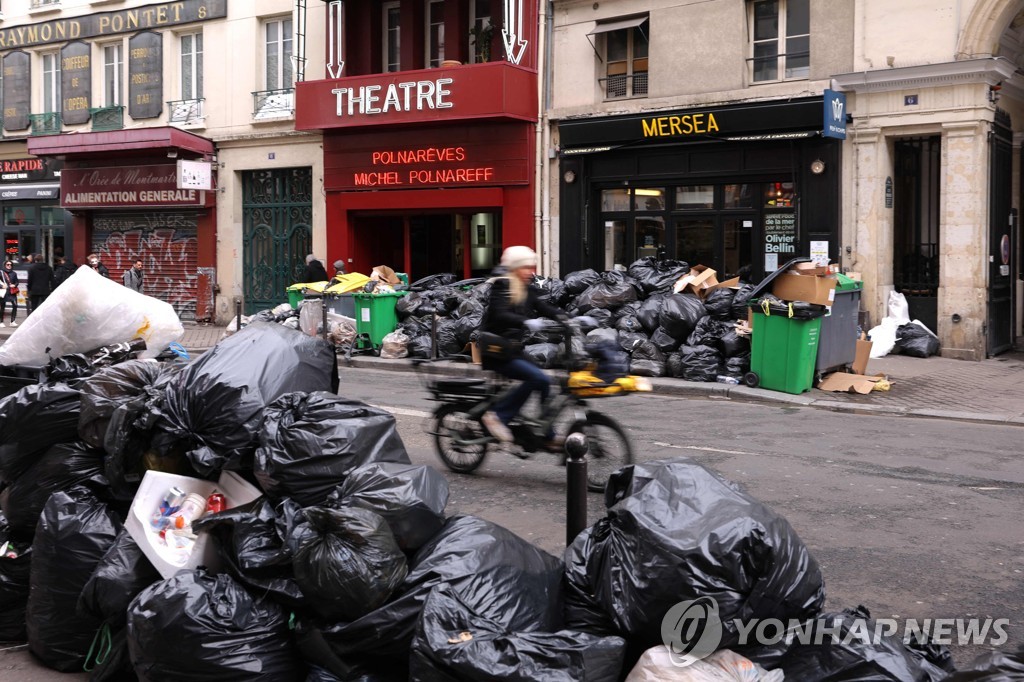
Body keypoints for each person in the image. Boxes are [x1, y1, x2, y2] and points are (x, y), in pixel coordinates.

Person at [479, 246, 567, 451]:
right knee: (537, 378)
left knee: (545, 382)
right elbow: (499, 314)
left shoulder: (526, 288)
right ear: (516, 267)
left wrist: (569, 318)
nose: (530, 271)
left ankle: (548, 433)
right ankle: (497, 416)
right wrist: (526, 321)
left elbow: (545, 307)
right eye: (526, 267)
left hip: (513, 349)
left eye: (531, 266)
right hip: (496, 351)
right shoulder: (503, 286)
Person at [0, 261, 19, 327]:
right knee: (2, 307)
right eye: (7, 264)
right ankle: (1, 322)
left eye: (11, 264)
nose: (9, 265)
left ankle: (12, 321)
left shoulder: (14, 273)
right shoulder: (1, 273)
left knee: (15, 305)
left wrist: (14, 285)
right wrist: (1, 286)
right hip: (4, 292)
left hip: (12, 292)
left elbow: (17, 282)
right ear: (5, 265)